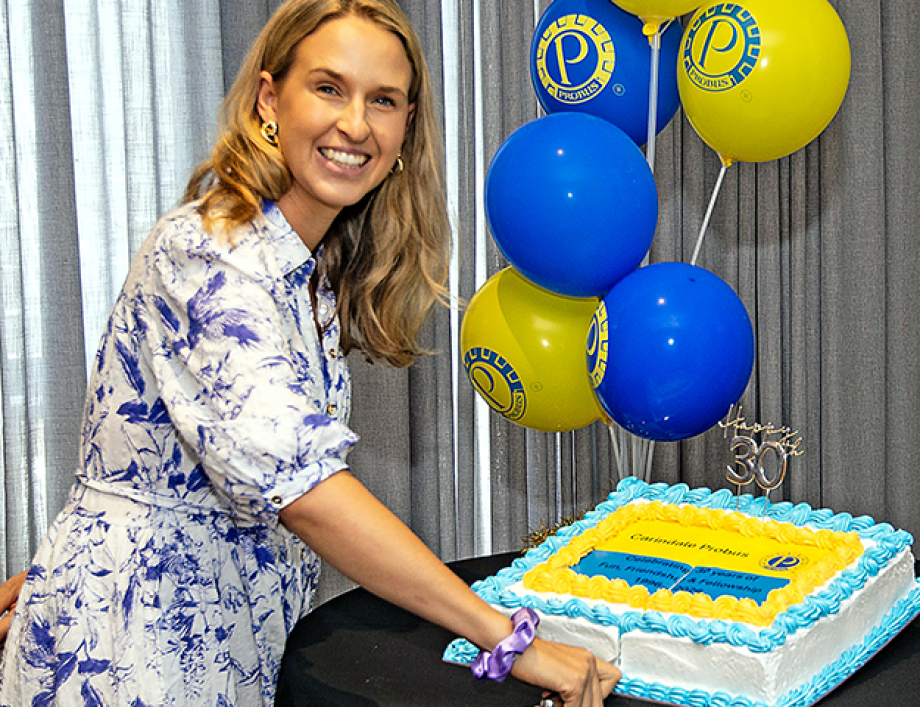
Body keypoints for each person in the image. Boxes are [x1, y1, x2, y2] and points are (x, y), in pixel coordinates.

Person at [0, 0, 620, 705]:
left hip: (223, 636)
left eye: (382, 100)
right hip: (133, 650)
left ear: (406, 127)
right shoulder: (206, 253)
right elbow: (307, 491)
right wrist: (512, 641)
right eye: (329, 87)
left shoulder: (307, 271)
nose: (355, 125)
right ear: (269, 100)